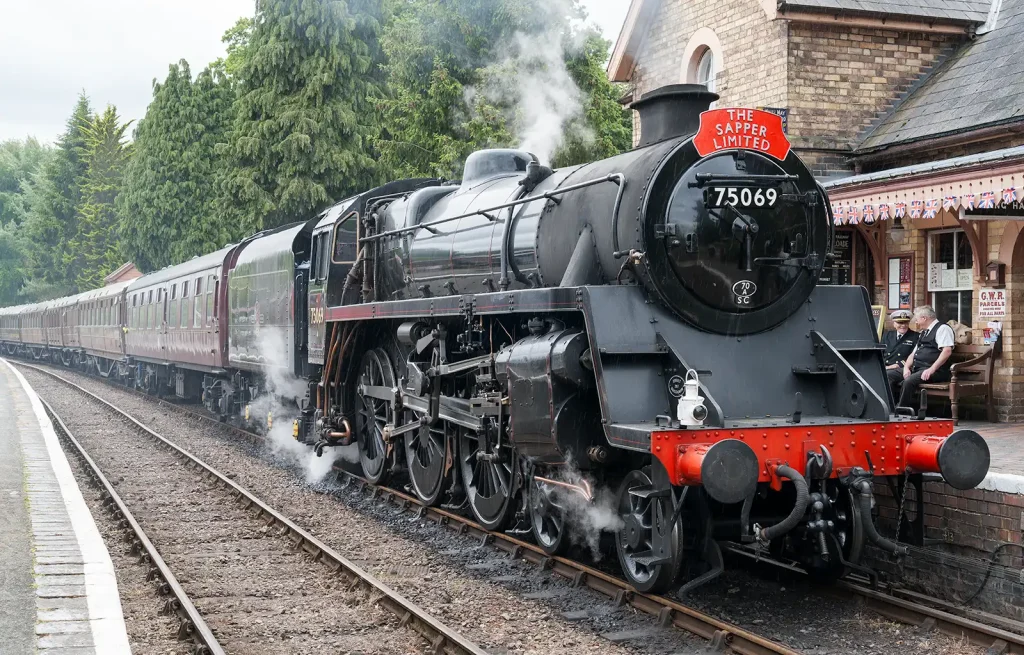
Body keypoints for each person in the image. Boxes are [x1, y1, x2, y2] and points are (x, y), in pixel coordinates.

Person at [897, 305, 956, 411]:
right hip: (917, 368)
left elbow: (947, 351)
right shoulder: (924, 332)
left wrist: (931, 369)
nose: (916, 322)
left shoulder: (943, 329)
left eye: (917, 319)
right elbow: (913, 353)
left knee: (909, 382)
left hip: (935, 370)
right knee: (888, 376)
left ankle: (902, 411)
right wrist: (906, 367)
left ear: (924, 318)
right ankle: (890, 408)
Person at [882, 310, 917, 400]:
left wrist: (898, 365)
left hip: (903, 368)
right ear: (894, 323)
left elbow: (915, 356)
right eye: (900, 322)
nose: (903, 325)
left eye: (906, 323)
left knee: (887, 376)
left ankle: (890, 405)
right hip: (886, 366)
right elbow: (880, 353)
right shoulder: (887, 335)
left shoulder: (915, 337)